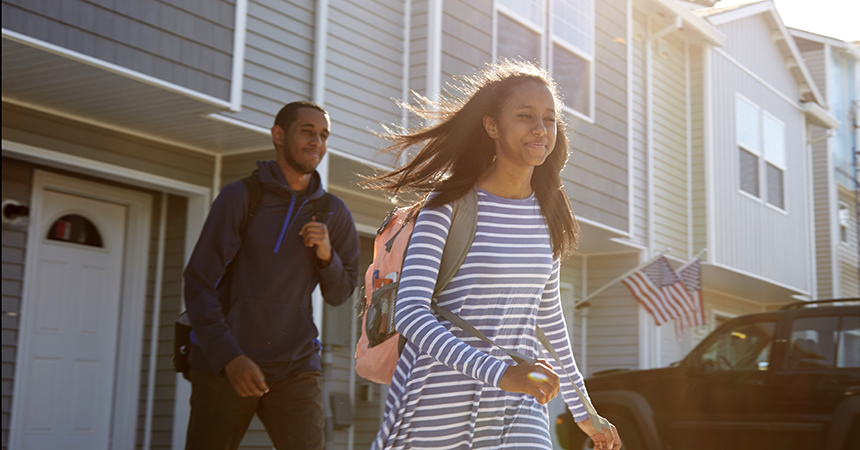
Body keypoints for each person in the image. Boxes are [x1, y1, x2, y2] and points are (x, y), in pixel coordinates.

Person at [363, 60, 622, 449]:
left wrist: (584, 410)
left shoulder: (549, 213)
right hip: (438, 399)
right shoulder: (448, 205)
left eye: (549, 119)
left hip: (519, 397)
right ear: (492, 126)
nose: (540, 128)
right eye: (525, 116)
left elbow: (549, 320)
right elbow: (411, 313)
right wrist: (499, 373)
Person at [183, 101, 360, 450]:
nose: (317, 143)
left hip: (294, 365)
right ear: (278, 135)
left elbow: (341, 293)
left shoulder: (332, 212)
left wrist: (327, 257)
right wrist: (229, 357)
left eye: (323, 135)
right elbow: (198, 283)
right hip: (227, 362)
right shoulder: (241, 197)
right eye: (307, 132)